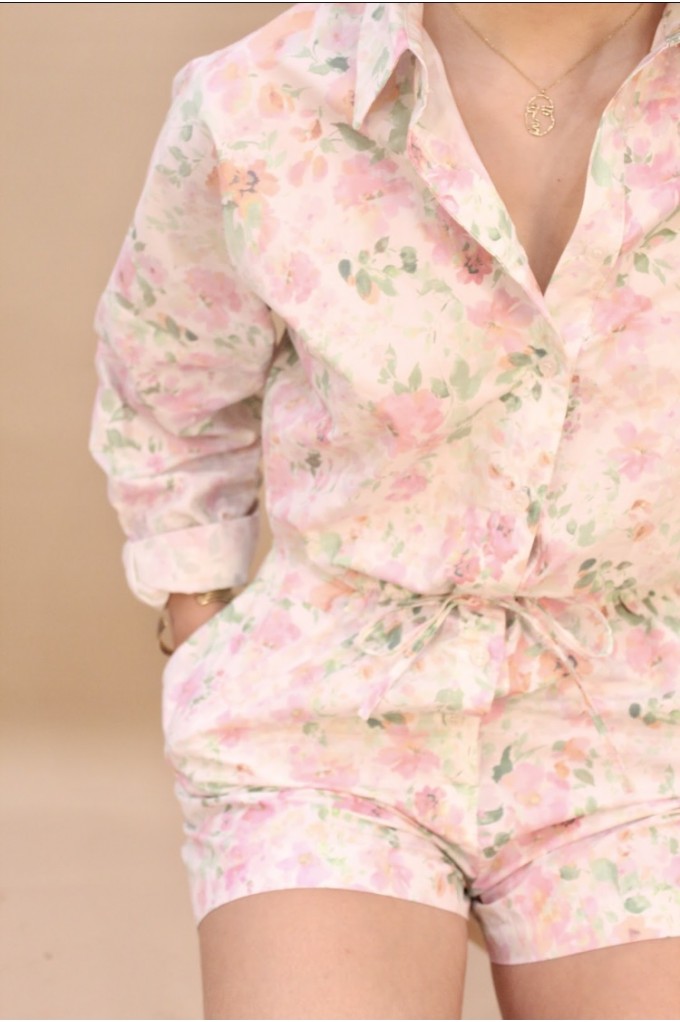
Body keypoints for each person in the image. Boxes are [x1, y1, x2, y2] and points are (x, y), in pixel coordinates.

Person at [90, 3, 680, 1017]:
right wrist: (199, 616)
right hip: (326, 715)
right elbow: (168, 379)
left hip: (649, 723)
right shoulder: (258, 99)